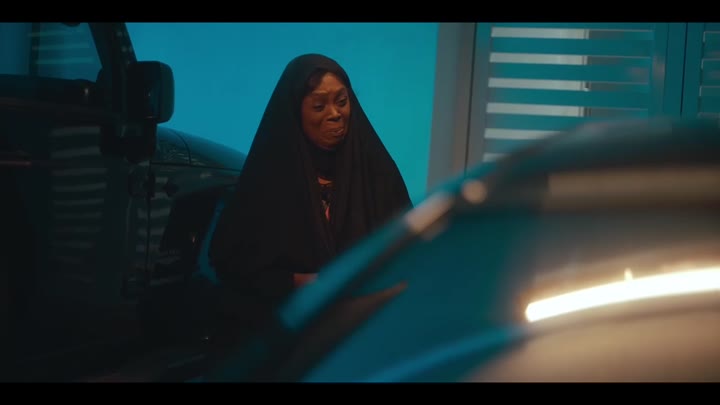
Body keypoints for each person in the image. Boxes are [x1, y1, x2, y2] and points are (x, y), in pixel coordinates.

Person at [208, 53, 412, 346]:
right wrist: (295, 282)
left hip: (363, 338)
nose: (335, 114)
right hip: (283, 340)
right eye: (319, 106)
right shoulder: (269, 179)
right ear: (295, 111)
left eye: (342, 101)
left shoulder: (377, 173)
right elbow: (233, 266)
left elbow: (407, 258)